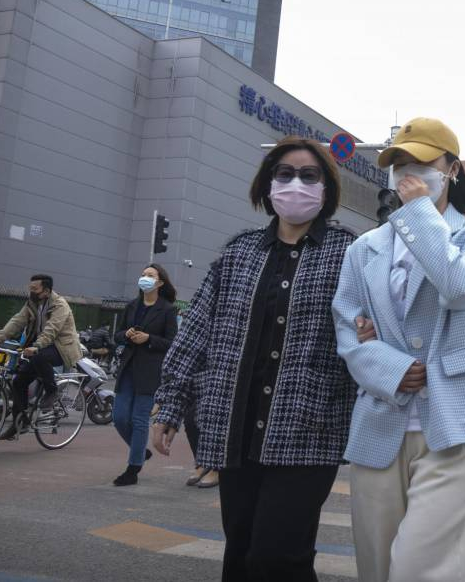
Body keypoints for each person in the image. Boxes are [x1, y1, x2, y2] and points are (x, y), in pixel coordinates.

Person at [151, 136, 358, 581]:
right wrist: (171, 404)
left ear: (326, 188)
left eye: (309, 175)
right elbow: (197, 332)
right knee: (241, 553)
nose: (296, 184)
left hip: (308, 428)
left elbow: (370, 333)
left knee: (279, 556)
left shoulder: (350, 253)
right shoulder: (239, 252)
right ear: (267, 186)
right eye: (284, 174)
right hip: (234, 427)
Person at [333, 117, 465, 582]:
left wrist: (417, 213)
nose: (407, 173)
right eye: (399, 164)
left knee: (421, 566)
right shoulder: (365, 248)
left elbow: (457, 286)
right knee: (376, 562)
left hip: (454, 418)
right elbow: (348, 327)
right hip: (381, 414)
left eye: (422, 162)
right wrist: (387, 366)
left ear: (452, 168)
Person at [0, 275, 82, 440]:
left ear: (46, 291)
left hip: (62, 348)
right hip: (41, 347)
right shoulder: (32, 303)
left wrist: (37, 346)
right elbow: (17, 321)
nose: (31, 292)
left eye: (35, 289)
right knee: (18, 381)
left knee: (39, 357)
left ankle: (52, 390)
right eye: (30, 288)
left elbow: (52, 329)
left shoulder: (60, 305)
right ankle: (20, 422)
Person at [111, 264, 178, 486]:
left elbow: (172, 342)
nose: (145, 278)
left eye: (150, 276)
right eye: (143, 275)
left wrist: (148, 339)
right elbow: (117, 335)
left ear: (159, 283)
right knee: (119, 417)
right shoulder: (131, 306)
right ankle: (140, 452)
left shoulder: (167, 309)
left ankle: (133, 469)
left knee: (139, 419)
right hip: (128, 368)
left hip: (150, 371)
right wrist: (126, 334)